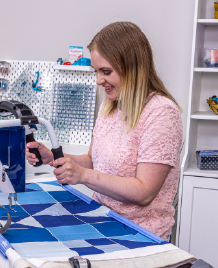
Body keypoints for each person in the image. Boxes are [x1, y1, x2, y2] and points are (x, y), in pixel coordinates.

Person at [26, 22, 183, 241]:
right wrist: (54, 156)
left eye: (106, 72)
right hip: (103, 220)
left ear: (132, 67)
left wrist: (83, 176)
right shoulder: (110, 106)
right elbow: (93, 160)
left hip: (140, 235)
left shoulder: (161, 113)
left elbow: (144, 192)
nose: (99, 80)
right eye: (97, 71)